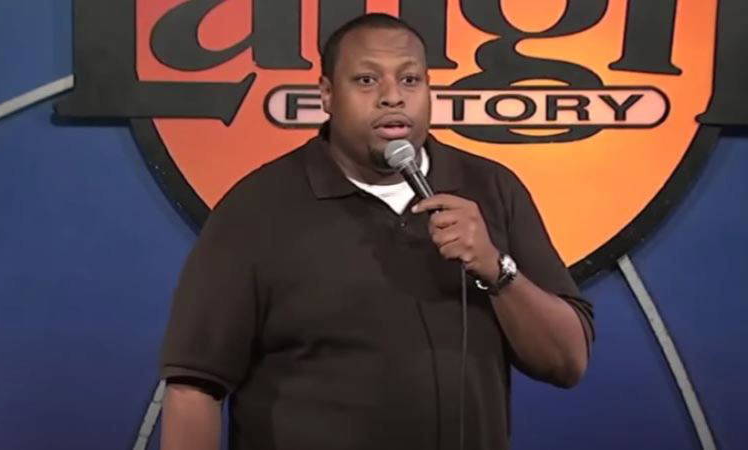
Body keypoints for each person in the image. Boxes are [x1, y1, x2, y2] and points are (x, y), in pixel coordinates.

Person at [159, 13, 593, 450]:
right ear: (327, 94)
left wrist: (496, 269)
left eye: (410, 80)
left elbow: (567, 361)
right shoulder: (256, 208)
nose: (392, 97)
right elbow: (194, 388)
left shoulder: (491, 188)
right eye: (366, 81)